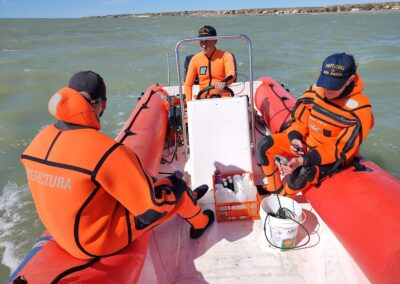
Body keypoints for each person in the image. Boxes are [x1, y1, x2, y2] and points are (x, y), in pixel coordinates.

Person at [20, 71, 214, 259]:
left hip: (62, 233)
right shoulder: (107, 151)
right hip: (93, 243)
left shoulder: (38, 141)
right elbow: (153, 208)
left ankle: (188, 196)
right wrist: (180, 184)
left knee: (157, 185)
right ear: (103, 104)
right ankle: (200, 222)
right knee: (175, 188)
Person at [257, 53, 374, 196]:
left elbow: (340, 148)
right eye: (325, 82)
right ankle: (274, 187)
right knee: (264, 145)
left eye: (334, 85)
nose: (327, 89)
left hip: (331, 157)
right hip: (307, 143)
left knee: (304, 172)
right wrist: (295, 138)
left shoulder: (360, 109)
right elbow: (300, 121)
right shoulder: (315, 91)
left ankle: (283, 196)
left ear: (350, 80)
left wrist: (304, 160)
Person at [184, 25, 236, 101]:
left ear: (215, 40)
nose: (203, 45)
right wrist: (189, 104)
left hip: (223, 98)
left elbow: (231, 75)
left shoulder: (226, 56)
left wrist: (223, 83)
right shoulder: (195, 59)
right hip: (201, 99)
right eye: (201, 42)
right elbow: (188, 84)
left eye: (207, 41)